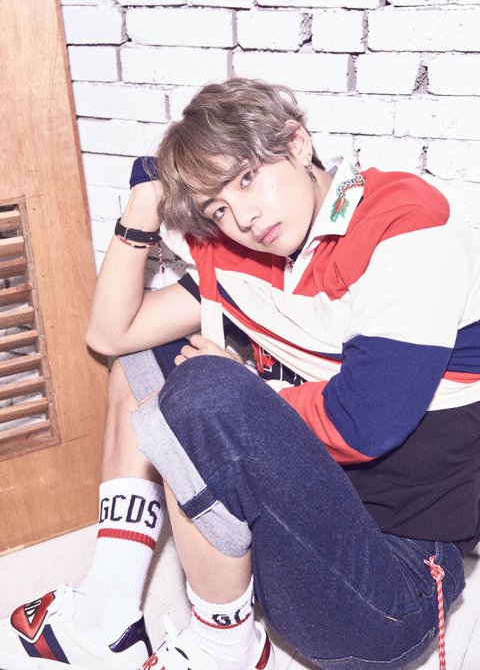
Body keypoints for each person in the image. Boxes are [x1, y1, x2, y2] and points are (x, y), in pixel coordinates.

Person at [1, 78, 479, 670]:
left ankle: (224, 650)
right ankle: (109, 613)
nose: (245, 217)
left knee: (205, 392)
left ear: (297, 144)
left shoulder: (403, 225)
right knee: (149, 363)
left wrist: (247, 391)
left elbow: (366, 424)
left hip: (395, 593)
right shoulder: (254, 256)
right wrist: (142, 207)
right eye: (218, 209)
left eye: (248, 177)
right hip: (298, 546)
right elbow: (112, 335)